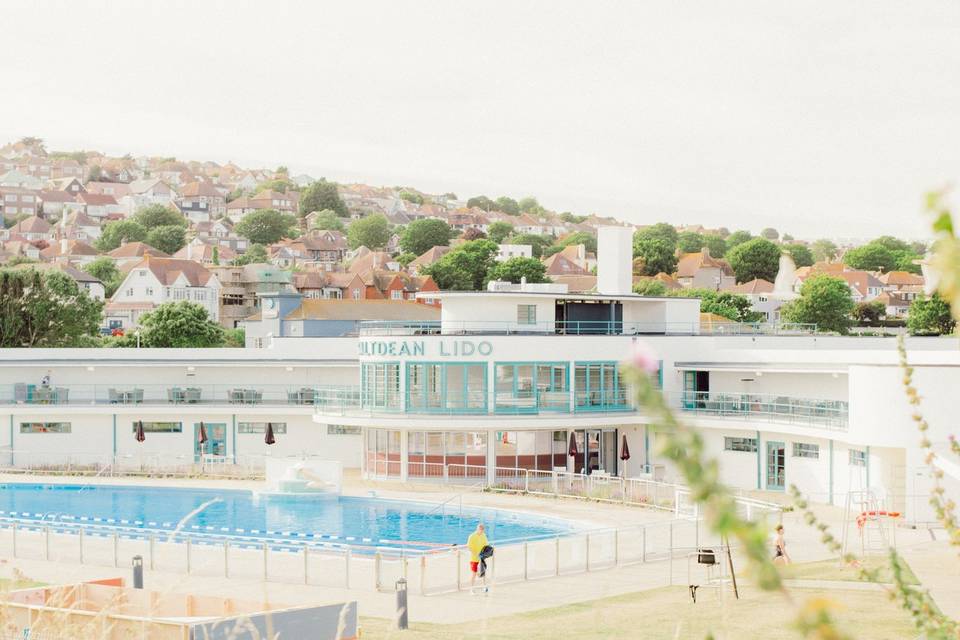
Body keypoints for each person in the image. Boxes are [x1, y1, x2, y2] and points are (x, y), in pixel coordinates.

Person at [467, 523, 488, 593]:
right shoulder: (472, 536)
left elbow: (486, 545)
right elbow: (469, 547)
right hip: (474, 559)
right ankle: (471, 588)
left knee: (483, 573)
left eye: (482, 530)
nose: (481, 531)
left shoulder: (484, 535)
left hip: (482, 558)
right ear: (477, 529)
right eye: (480, 530)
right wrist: (476, 555)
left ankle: (484, 587)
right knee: (474, 573)